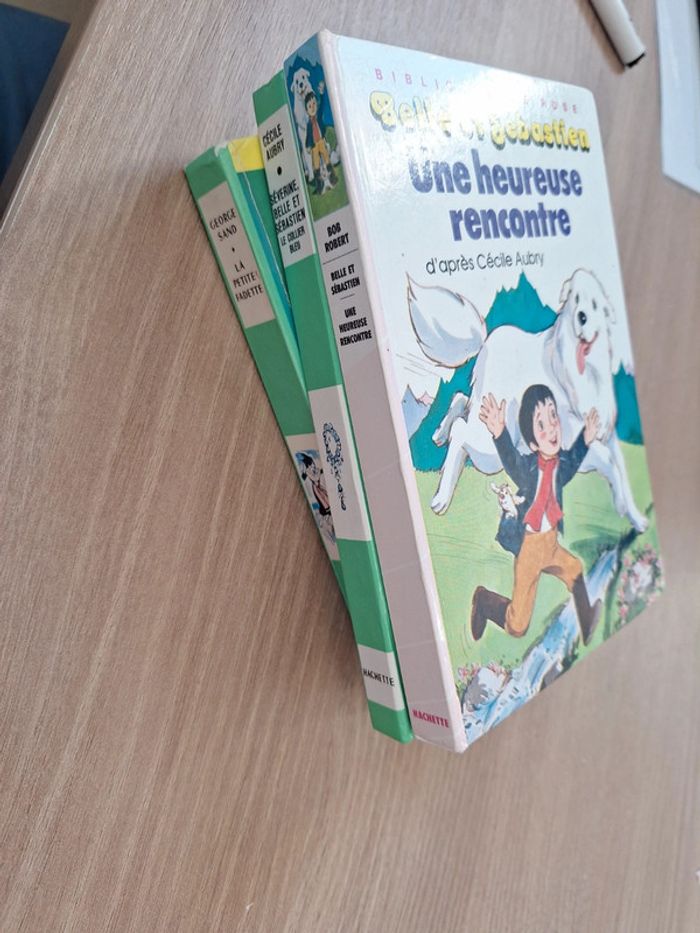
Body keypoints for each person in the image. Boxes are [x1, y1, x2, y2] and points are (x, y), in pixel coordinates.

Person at [471, 384, 602, 644]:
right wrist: (500, 432)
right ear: (532, 443)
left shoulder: (561, 464)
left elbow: (572, 463)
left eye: (553, 416)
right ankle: (485, 601)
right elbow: (511, 461)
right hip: (529, 548)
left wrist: (585, 439)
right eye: (541, 424)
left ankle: (587, 623)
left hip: (550, 542)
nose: (552, 427)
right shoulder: (527, 470)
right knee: (518, 625)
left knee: (574, 569)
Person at [304, 85, 337, 194]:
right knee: (316, 164)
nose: (312, 107)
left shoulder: (318, 116)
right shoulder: (309, 124)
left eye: (314, 104)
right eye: (310, 106)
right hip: (314, 145)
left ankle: (332, 178)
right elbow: (308, 136)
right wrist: (308, 146)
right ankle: (320, 186)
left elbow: (322, 105)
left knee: (326, 158)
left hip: (321, 141)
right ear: (307, 110)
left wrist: (322, 94)